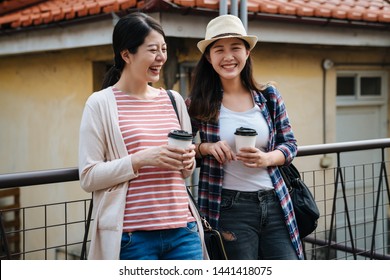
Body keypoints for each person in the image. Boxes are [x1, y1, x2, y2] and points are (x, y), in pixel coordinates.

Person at [78, 12, 207, 260]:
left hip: (183, 230)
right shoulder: (100, 103)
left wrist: (188, 162)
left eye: (164, 49)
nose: (161, 57)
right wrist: (140, 159)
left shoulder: (173, 99)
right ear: (126, 54)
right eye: (152, 50)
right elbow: (88, 176)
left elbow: (183, 172)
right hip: (132, 238)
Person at [186, 14, 304, 260]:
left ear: (247, 52)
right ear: (209, 58)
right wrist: (205, 148)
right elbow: (183, 149)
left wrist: (267, 158)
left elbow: (290, 145)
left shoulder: (269, 96)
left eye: (235, 48)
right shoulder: (199, 103)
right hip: (228, 207)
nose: (228, 57)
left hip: (276, 202)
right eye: (219, 50)